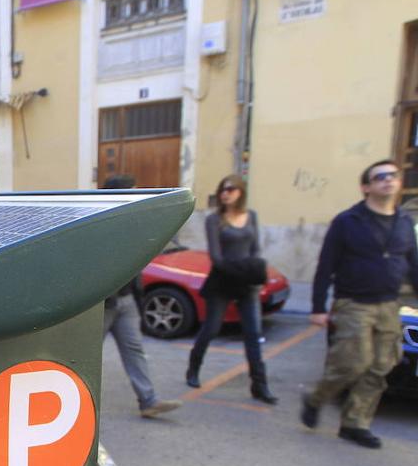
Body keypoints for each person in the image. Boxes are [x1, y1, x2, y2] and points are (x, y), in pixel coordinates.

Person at [301, 159, 418, 449]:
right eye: (380, 177)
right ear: (366, 187)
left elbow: (413, 265)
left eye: (393, 175)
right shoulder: (348, 222)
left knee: (380, 367)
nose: (388, 180)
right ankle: (316, 398)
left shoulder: (405, 222)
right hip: (354, 303)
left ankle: (355, 424)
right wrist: (317, 307)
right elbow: (326, 265)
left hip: (390, 304)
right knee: (353, 364)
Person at [184, 175, 278, 404]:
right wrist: (248, 269)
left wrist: (254, 272)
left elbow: (255, 250)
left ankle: (260, 384)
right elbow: (216, 258)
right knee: (212, 328)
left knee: (253, 334)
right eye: (222, 190)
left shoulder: (251, 216)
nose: (225, 193)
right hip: (223, 281)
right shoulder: (214, 220)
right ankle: (193, 369)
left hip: (247, 283)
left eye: (231, 189)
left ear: (240, 192)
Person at [100, 174, 181, 418]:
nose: (137, 196)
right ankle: (67, 405)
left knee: (134, 349)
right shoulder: (100, 225)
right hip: (102, 305)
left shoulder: (133, 222)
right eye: (132, 192)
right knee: (84, 357)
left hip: (127, 300)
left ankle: (148, 401)